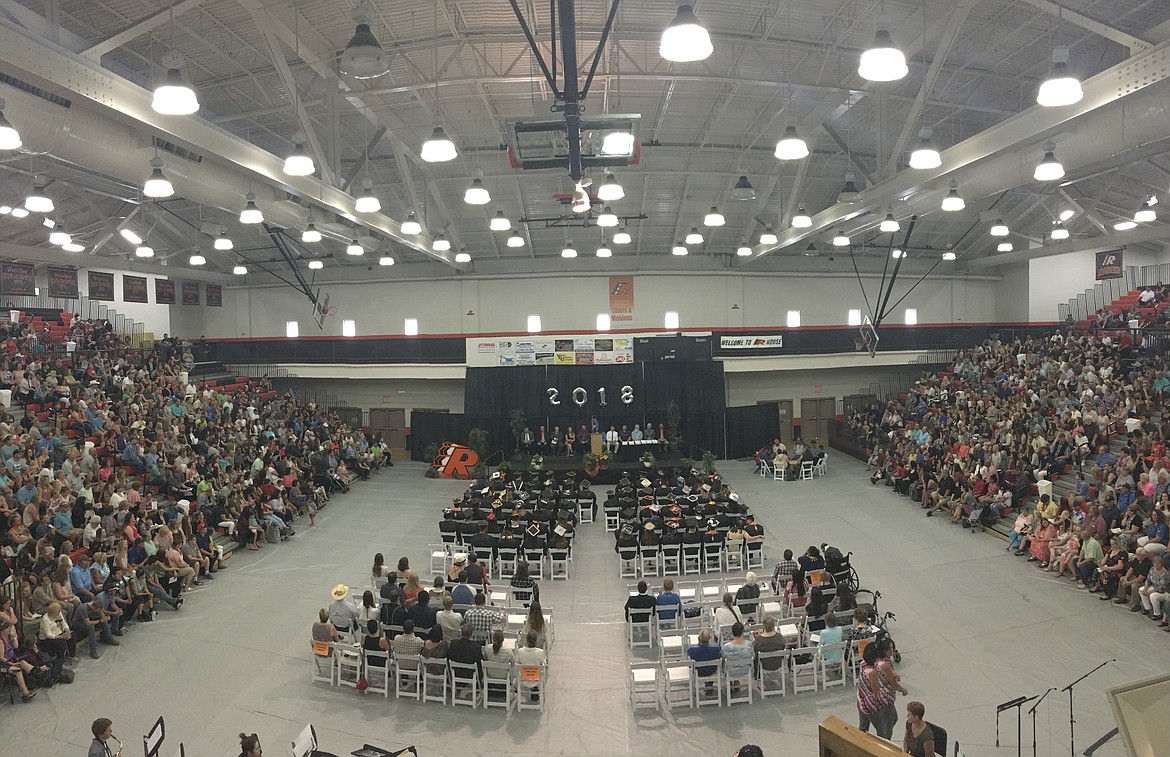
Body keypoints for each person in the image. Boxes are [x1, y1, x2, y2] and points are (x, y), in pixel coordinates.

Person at [857, 636, 906, 739]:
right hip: (874, 705)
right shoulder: (872, 672)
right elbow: (877, 693)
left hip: (861, 698)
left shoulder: (863, 664)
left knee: (863, 727)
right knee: (885, 732)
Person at [515, 629, 546, 700]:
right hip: (536, 679)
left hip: (523, 678)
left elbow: (517, 663)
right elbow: (543, 665)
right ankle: (535, 689)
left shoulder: (520, 651)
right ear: (536, 640)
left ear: (526, 639)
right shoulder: (540, 652)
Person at [721, 621, 753, 691]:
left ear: (732, 633)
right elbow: (753, 656)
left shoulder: (727, 647)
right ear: (742, 632)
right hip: (745, 670)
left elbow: (723, 659)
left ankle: (731, 682)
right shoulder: (748, 645)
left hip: (731, 671)